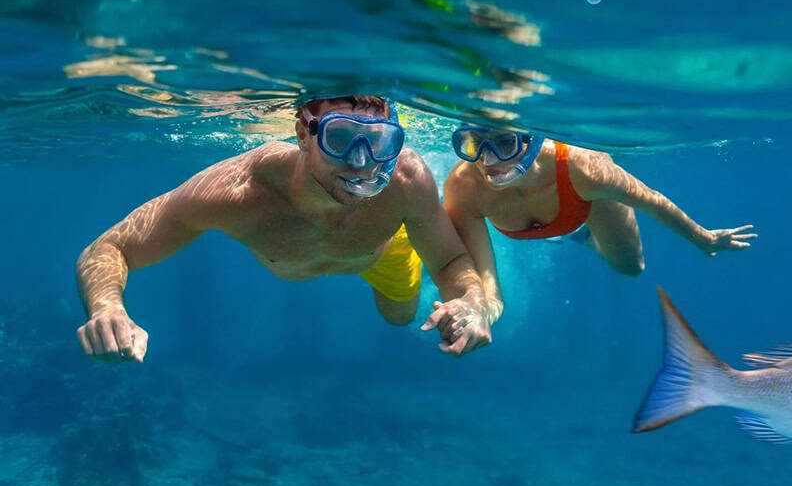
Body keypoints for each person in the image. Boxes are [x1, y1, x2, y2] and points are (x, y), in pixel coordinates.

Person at [76, 96, 493, 363]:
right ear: (302, 134)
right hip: (343, 248)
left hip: (383, 247)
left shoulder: (405, 181)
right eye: (341, 138)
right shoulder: (233, 192)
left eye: (379, 143)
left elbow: (451, 259)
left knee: (398, 318)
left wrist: (471, 301)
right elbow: (109, 247)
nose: (363, 162)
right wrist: (107, 309)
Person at [442, 125, 756, 325]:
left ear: (531, 140)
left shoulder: (583, 168)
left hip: (589, 203)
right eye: (473, 144)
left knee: (630, 268)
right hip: (567, 208)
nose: (488, 161)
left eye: (504, 143)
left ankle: (584, 235)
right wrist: (486, 310)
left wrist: (704, 239)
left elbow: (650, 199)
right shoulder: (463, 188)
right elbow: (485, 280)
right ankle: (579, 236)